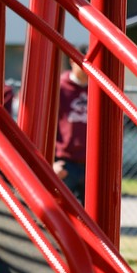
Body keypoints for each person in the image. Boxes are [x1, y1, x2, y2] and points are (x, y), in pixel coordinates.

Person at [54, 48, 89, 197]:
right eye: (85, 63)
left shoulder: (98, 89)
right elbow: (48, 126)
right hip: (65, 163)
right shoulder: (60, 87)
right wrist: (51, 162)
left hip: (90, 163)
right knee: (61, 212)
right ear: (72, 61)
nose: (88, 68)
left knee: (90, 215)